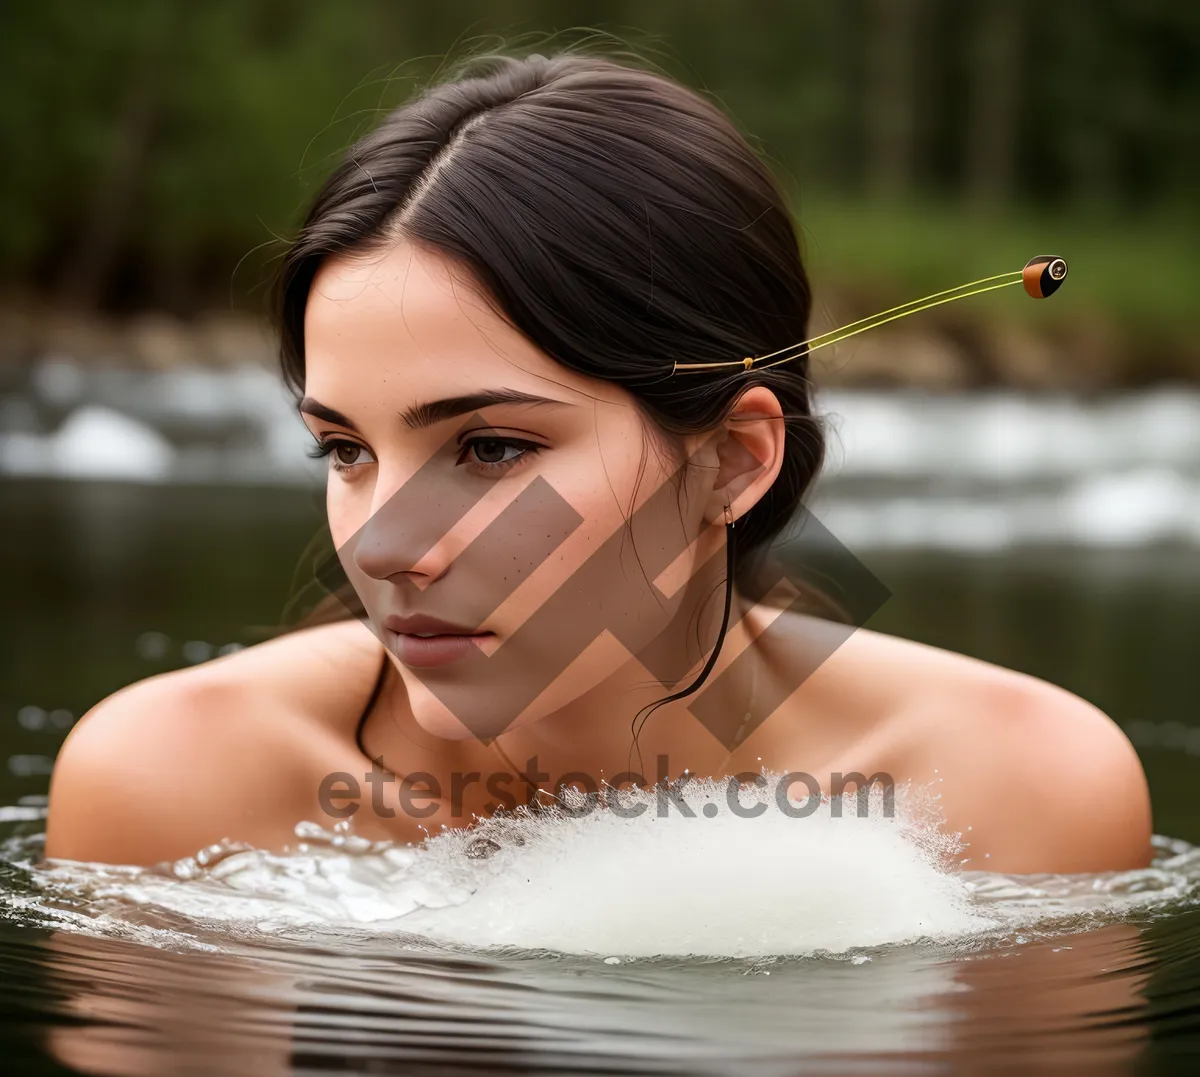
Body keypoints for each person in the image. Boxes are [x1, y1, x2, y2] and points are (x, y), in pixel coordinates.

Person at [44, 50, 1151, 874]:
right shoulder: (175, 786)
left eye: (488, 447)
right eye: (343, 448)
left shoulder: (1011, 797)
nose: (385, 545)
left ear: (730, 461)